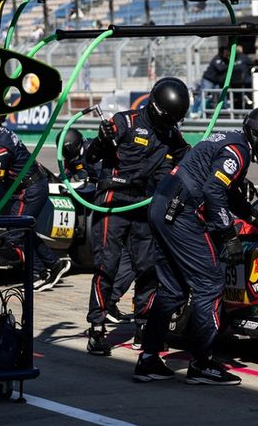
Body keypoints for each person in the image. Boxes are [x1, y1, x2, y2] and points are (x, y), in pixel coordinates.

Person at [134, 107, 258, 385]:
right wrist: (229, 235)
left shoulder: (232, 141)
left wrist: (256, 218)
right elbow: (214, 190)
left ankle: (148, 359)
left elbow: (228, 192)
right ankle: (202, 363)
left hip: (163, 205)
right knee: (209, 284)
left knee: (172, 288)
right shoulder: (237, 152)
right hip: (181, 212)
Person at [84, 78, 191, 355]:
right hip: (113, 203)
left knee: (148, 267)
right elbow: (90, 158)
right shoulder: (124, 122)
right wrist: (101, 139)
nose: (170, 126)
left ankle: (144, 326)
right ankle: (97, 327)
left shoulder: (171, 134)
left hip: (145, 205)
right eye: (168, 120)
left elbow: (191, 159)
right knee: (106, 264)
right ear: (156, 108)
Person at [61, 128, 132, 323]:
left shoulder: (96, 150)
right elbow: (66, 175)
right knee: (112, 256)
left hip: (113, 201)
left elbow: (106, 178)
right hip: (102, 203)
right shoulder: (71, 157)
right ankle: (105, 306)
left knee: (125, 257)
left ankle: (108, 304)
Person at [0, 120, 64, 292]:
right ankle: (54, 264)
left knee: (15, 234)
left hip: (30, 189)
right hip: (33, 185)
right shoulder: (1, 133)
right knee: (24, 231)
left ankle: (39, 274)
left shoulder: (0, 143)